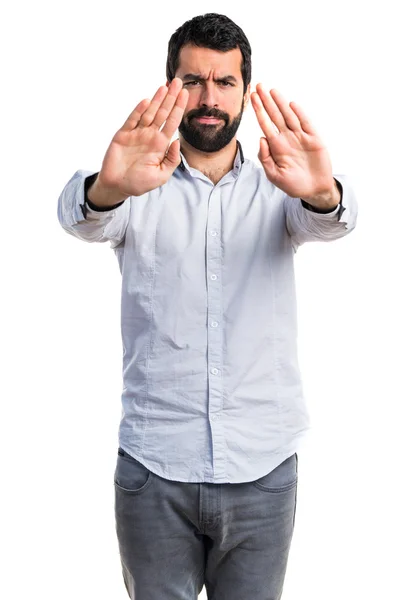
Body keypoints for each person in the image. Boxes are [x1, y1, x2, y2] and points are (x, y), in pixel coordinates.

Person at [57, 12, 357, 600]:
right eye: (193, 81)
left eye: (224, 82)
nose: (208, 98)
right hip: (154, 467)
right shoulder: (138, 182)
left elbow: (332, 221)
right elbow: (80, 218)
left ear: (245, 90)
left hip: (262, 467)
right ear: (171, 85)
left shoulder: (282, 183)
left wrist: (323, 192)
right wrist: (107, 188)